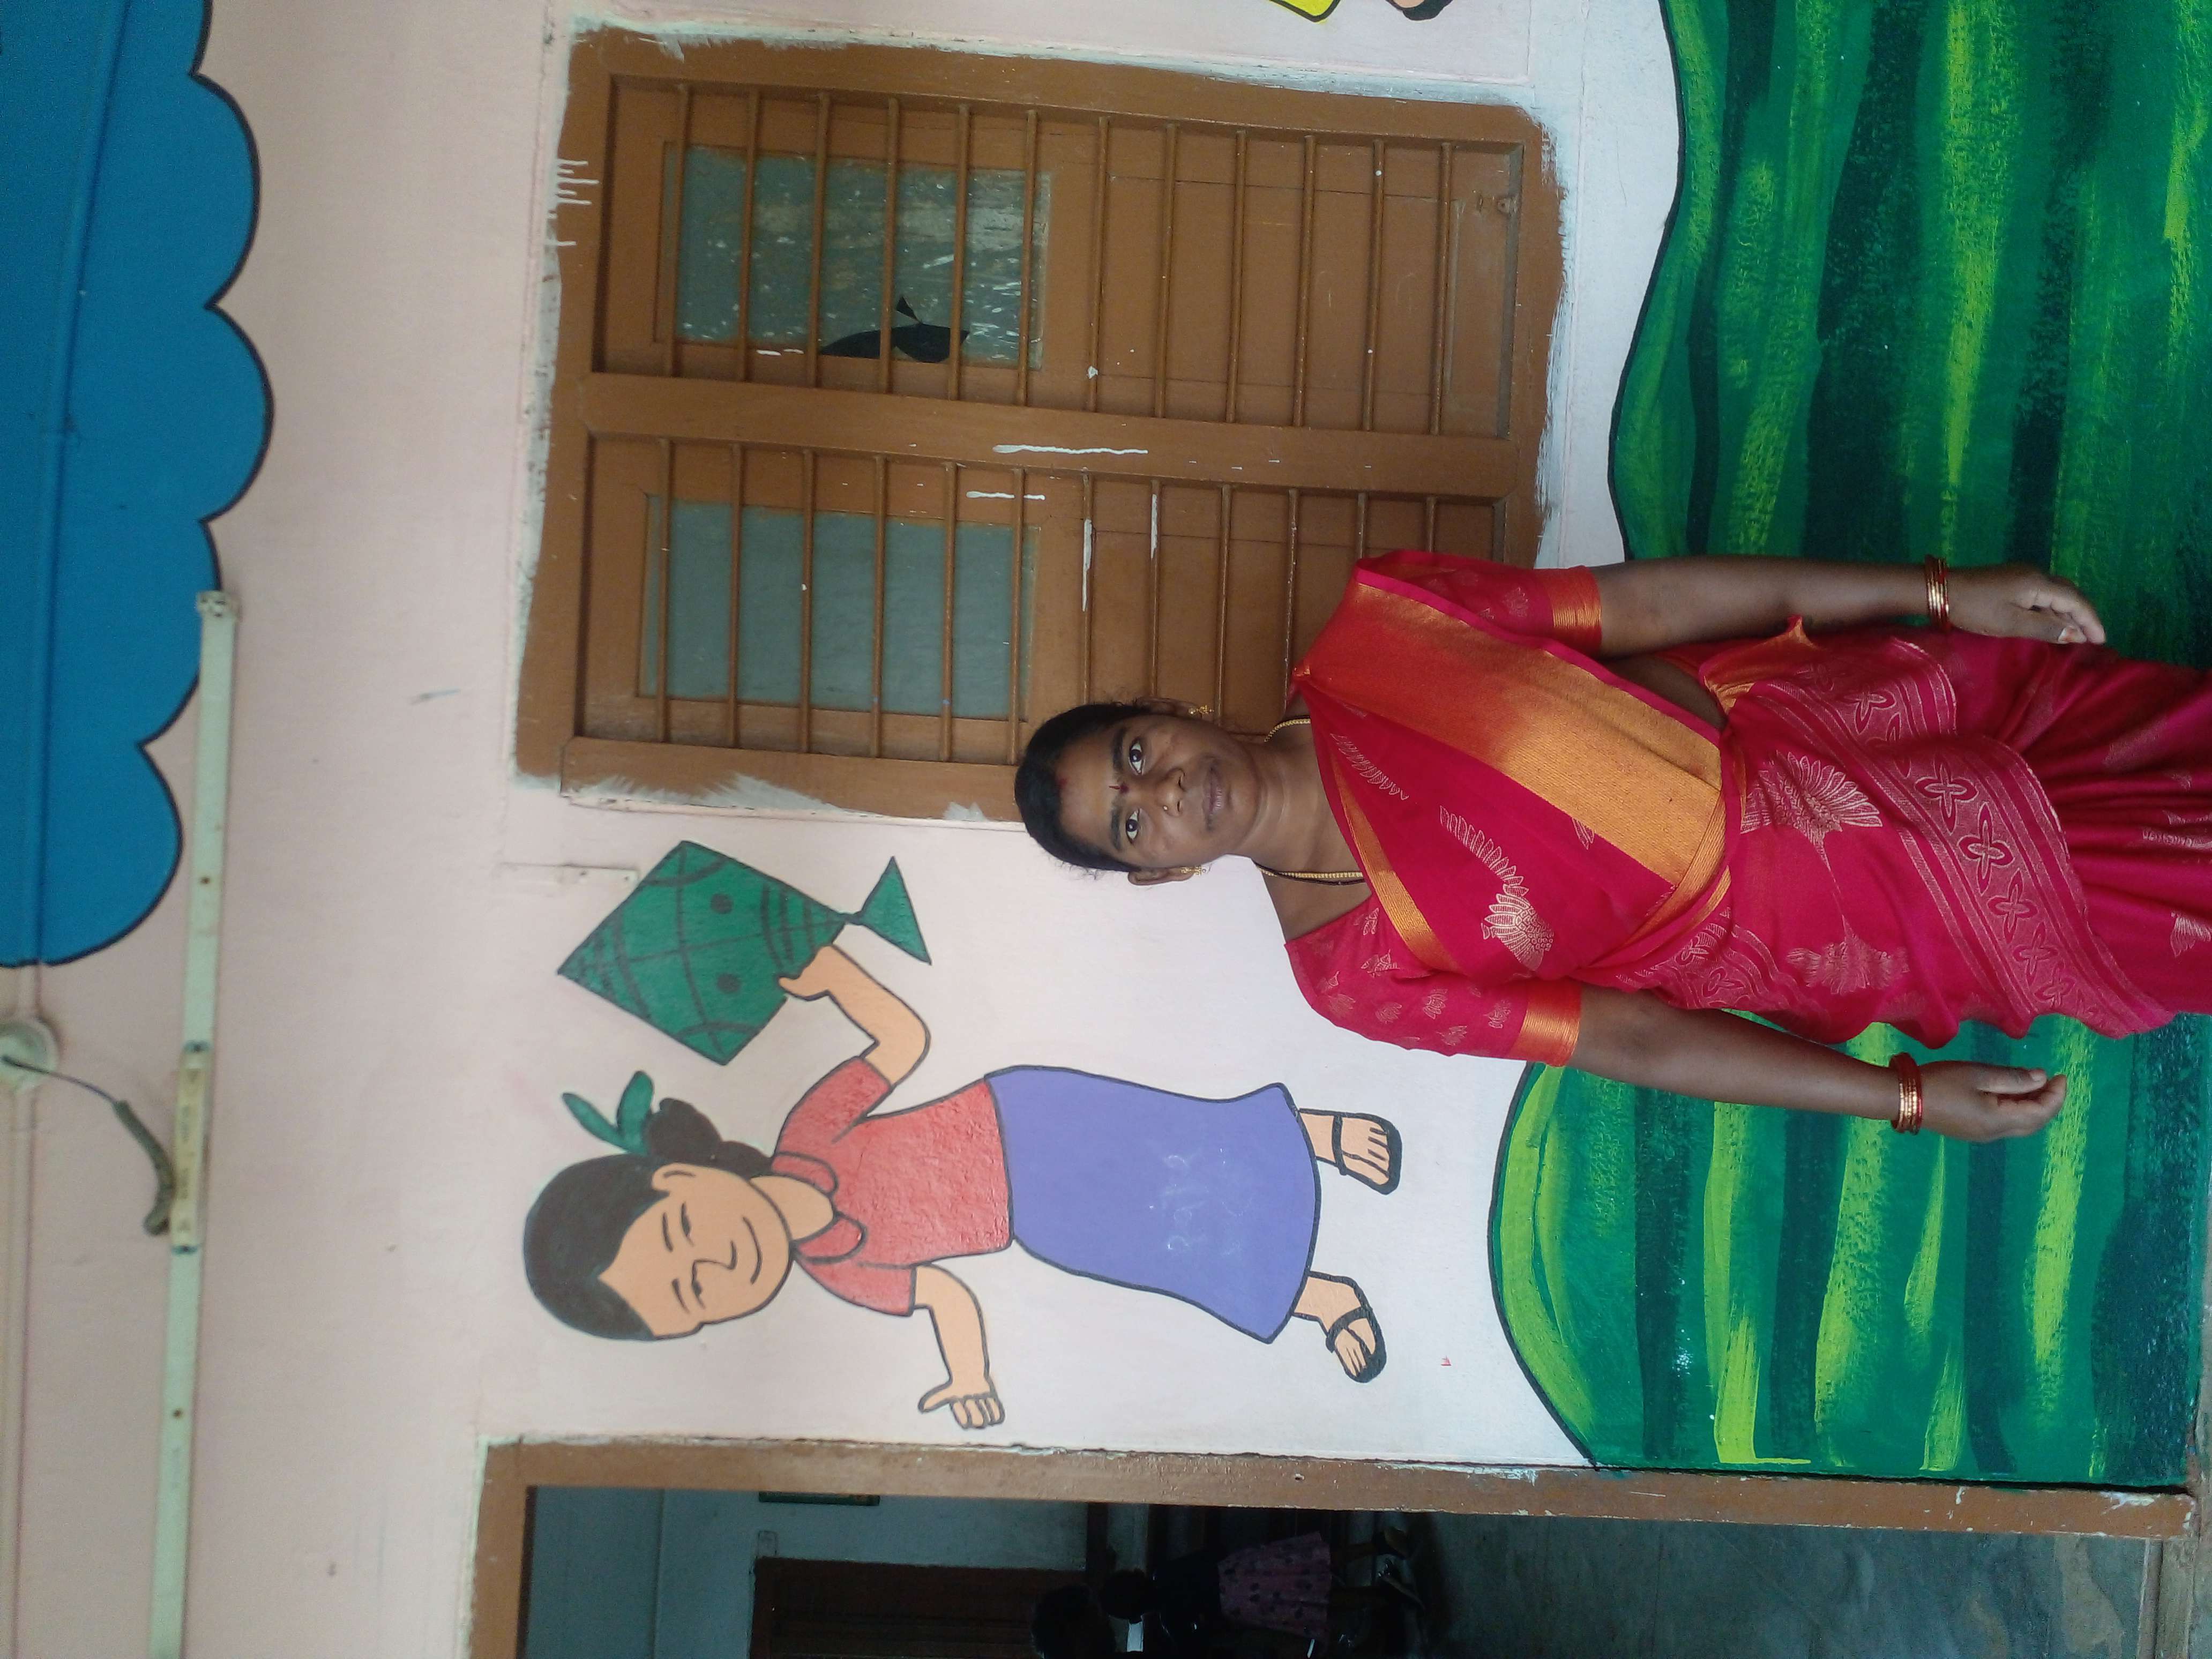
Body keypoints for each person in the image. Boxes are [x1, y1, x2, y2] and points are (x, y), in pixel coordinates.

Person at [1015, 551, 2212, 1144]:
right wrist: (1898, 1097)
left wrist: (1936, 592)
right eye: (1133, 824)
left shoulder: (1384, 629)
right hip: (1873, 923)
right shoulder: (1350, 970)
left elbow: (1648, 605)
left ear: (1165, 711)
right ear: (1162, 871)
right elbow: (1633, 1038)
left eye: (1136, 751)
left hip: (1885, 718)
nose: (1164, 790)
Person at [522, 945, 1403, 1427]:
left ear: (681, 1175)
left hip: (1028, 1117)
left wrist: (839, 978)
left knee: (1179, 1142)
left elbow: (900, 1045)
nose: (716, 1265)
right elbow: (943, 1293)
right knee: (1167, 1254)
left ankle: (1315, 1135)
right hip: (1040, 1219)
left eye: (681, 1236)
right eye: (694, 1296)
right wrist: (970, 1378)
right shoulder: (839, 1273)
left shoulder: (809, 1135)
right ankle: (1321, 1298)